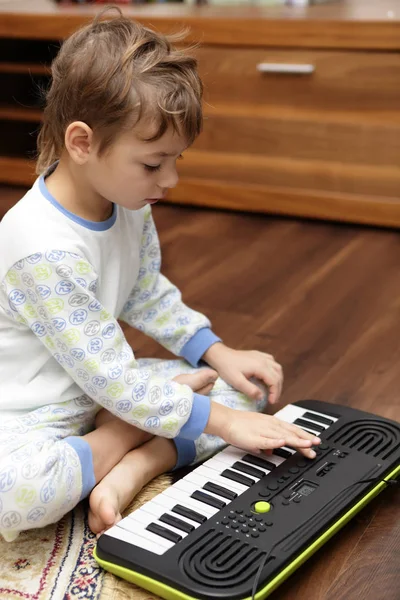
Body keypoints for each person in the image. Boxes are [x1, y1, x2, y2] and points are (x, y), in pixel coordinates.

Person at [0, 10, 320, 542]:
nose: (169, 180)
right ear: (81, 143)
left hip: (101, 388)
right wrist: (209, 421)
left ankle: (133, 466)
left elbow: (147, 294)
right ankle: (128, 432)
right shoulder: (40, 249)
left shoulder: (126, 200)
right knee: (19, 494)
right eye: (152, 164)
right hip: (32, 412)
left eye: (175, 160)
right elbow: (112, 377)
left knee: (247, 392)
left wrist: (220, 355)